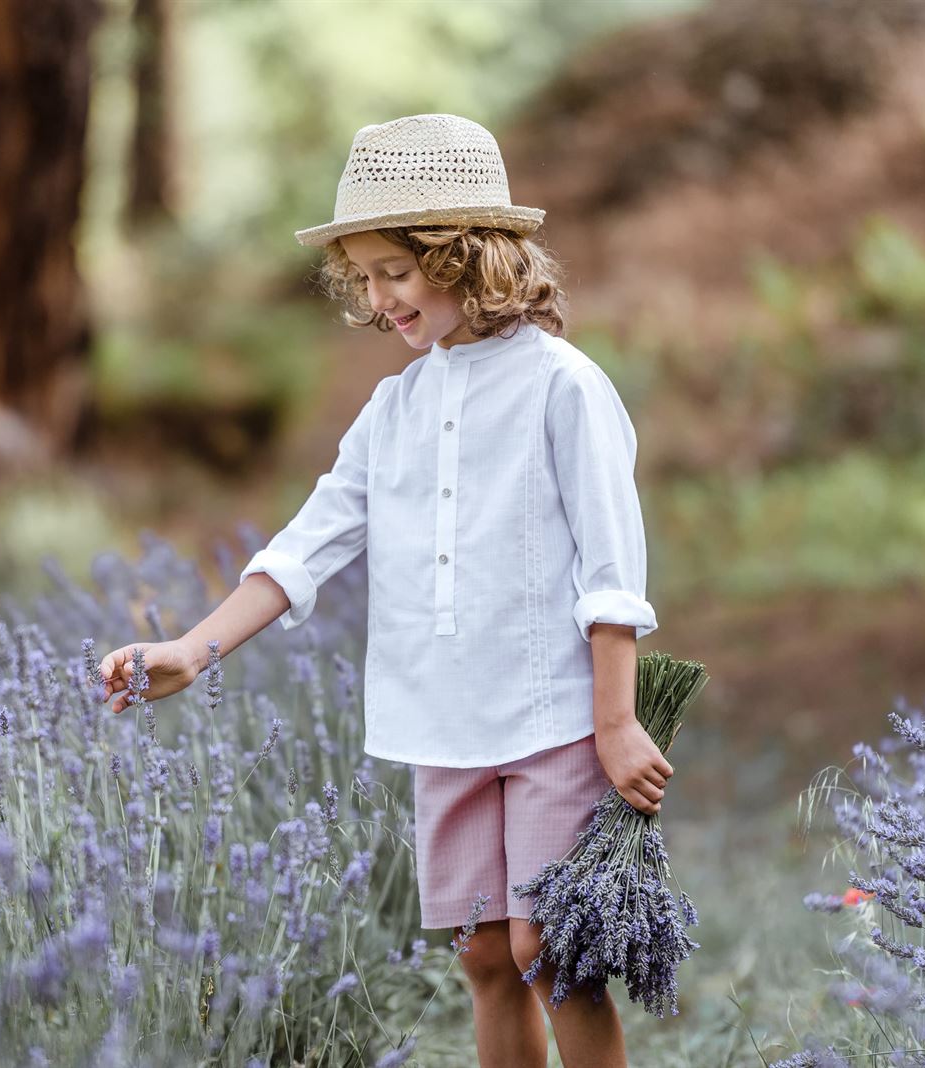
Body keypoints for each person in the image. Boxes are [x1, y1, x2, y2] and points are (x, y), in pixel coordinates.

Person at [96, 112, 671, 1068]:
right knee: (487, 953)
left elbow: (612, 576)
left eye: (394, 273)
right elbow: (308, 543)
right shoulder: (393, 408)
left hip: (554, 715)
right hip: (438, 720)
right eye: (361, 278)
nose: (376, 298)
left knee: (552, 950)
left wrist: (616, 722)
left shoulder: (564, 389)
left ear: (468, 256)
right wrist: (190, 652)